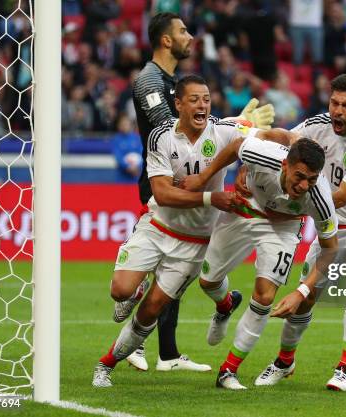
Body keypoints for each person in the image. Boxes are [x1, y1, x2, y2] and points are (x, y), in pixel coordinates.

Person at [117, 12, 275, 372]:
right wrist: (236, 123)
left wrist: (233, 125)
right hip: (166, 180)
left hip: (183, 176)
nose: (191, 37)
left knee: (178, 269)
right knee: (170, 262)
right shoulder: (149, 81)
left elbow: (194, 130)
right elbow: (171, 130)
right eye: (184, 31)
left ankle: (167, 353)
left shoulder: (170, 79)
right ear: (167, 40)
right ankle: (140, 328)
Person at [92, 75, 250, 387]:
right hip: (157, 227)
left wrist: (291, 140)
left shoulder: (224, 130)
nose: (202, 104)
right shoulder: (160, 138)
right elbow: (163, 194)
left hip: (194, 243)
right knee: (120, 292)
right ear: (178, 104)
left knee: (151, 310)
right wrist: (210, 197)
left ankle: (106, 364)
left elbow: (257, 142)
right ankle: (136, 289)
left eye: (206, 98)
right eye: (194, 99)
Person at [252, 74, 346, 392]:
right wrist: (257, 134)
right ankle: (284, 361)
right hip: (331, 228)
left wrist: (288, 205)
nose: (337, 111)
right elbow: (287, 141)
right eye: (334, 103)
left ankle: (344, 369)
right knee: (305, 302)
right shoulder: (318, 125)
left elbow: (342, 198)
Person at [181, 137, 339, 390]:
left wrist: (302, 291)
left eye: (311, 179)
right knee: (207, 281)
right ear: (285, 164)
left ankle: (228, 370)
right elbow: (235, 146)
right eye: (299, 176)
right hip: (244, 207)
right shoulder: (264, 154)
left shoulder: (320, 197)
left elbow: (331, 250)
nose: (303, 185)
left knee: (265, 297)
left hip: (282, 228)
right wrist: (203, 179)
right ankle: (225, 305)